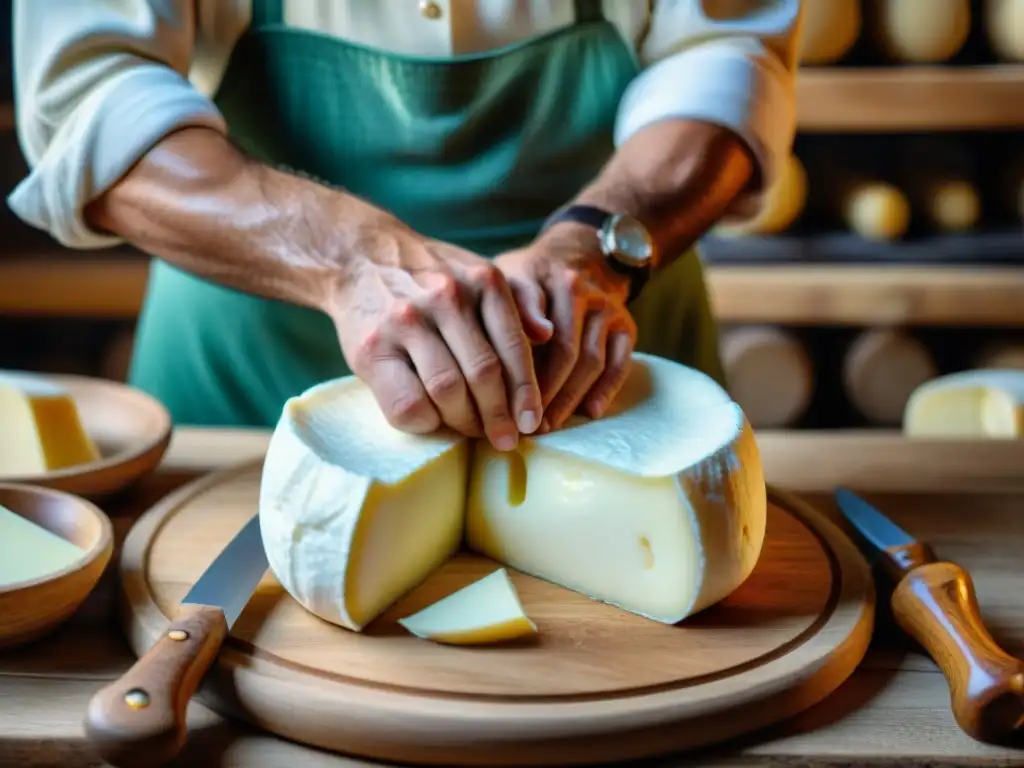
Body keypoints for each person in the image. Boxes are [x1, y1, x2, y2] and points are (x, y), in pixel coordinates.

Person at [9, 0, 803, 453]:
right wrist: (351, 261)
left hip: (600, 367)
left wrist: (596, 244)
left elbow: (727, 49)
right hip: (248, 373)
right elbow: (90, 98)